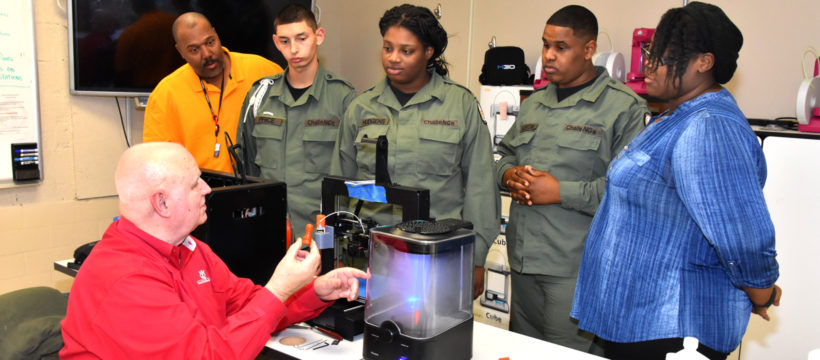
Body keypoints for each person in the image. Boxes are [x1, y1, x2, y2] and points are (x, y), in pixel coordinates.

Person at [570, 3, 781, 359]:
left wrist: (762, 292)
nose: (647, 66)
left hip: (676, 327)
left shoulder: (709, 127)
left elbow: (743, 236)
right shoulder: (676, 117)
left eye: (665, 58)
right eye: (651, 53)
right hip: (639, 319)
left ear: (704, 62)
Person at [60, 142, 368, 359]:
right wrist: (278, 287)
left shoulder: (190, 248)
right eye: (195, 184)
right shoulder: (124, 280)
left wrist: (315, 291)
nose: (207, 190)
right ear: (162, 203)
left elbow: (248, 305)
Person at [495, 5, 647, 352]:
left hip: (574, 269)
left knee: (565, 355)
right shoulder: (534, 103)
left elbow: (628, 192)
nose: (548, 56)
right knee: (522, 353)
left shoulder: (623, 108)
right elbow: (504, 155)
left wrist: (558, 192)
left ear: (589, 49)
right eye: (545, 45)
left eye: (560, 48)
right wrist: (510, 174)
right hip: (521, 260)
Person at [331, 4, 499, 298]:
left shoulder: (459, 105)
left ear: (428, 52)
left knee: (436, 339)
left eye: (406, 51)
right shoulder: (361, 107)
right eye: (387, 48)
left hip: (439, 255)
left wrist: (475, 260)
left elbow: (481, 187)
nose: (393, 58)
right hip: (373, 255)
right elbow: (339, 183)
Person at [237, 3, 355, 234]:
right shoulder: (260, 96)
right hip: (268, 228)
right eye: (284, 41)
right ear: (275, 41)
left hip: (320, 230)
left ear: (318, 36)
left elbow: (352, 173)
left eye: (302, 38)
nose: (293, 49)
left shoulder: (343, 98)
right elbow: (247, 164)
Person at [143, 12, 283, 173]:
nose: (207, 54)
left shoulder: (263, 71)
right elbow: (158, 163)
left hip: (261, 186)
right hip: (199, 192)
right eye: (194, 49)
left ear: (216, 35)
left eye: (210, 42)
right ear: (180, 51)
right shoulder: (165, 94)